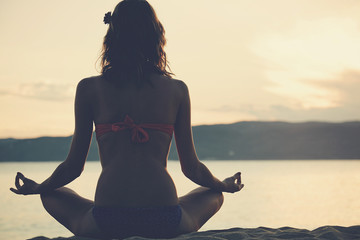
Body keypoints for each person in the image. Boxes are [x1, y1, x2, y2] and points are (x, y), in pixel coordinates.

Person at [10, 0, 244, 239]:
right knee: (213, 193)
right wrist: (223, 185)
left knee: (51, 193)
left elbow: (73, 167)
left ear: (112, 35)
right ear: (156, 36)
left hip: (107, 221)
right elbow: (192, 168)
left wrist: (38, 187)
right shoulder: (177, 90)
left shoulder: (89, 88)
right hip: (166, 219)